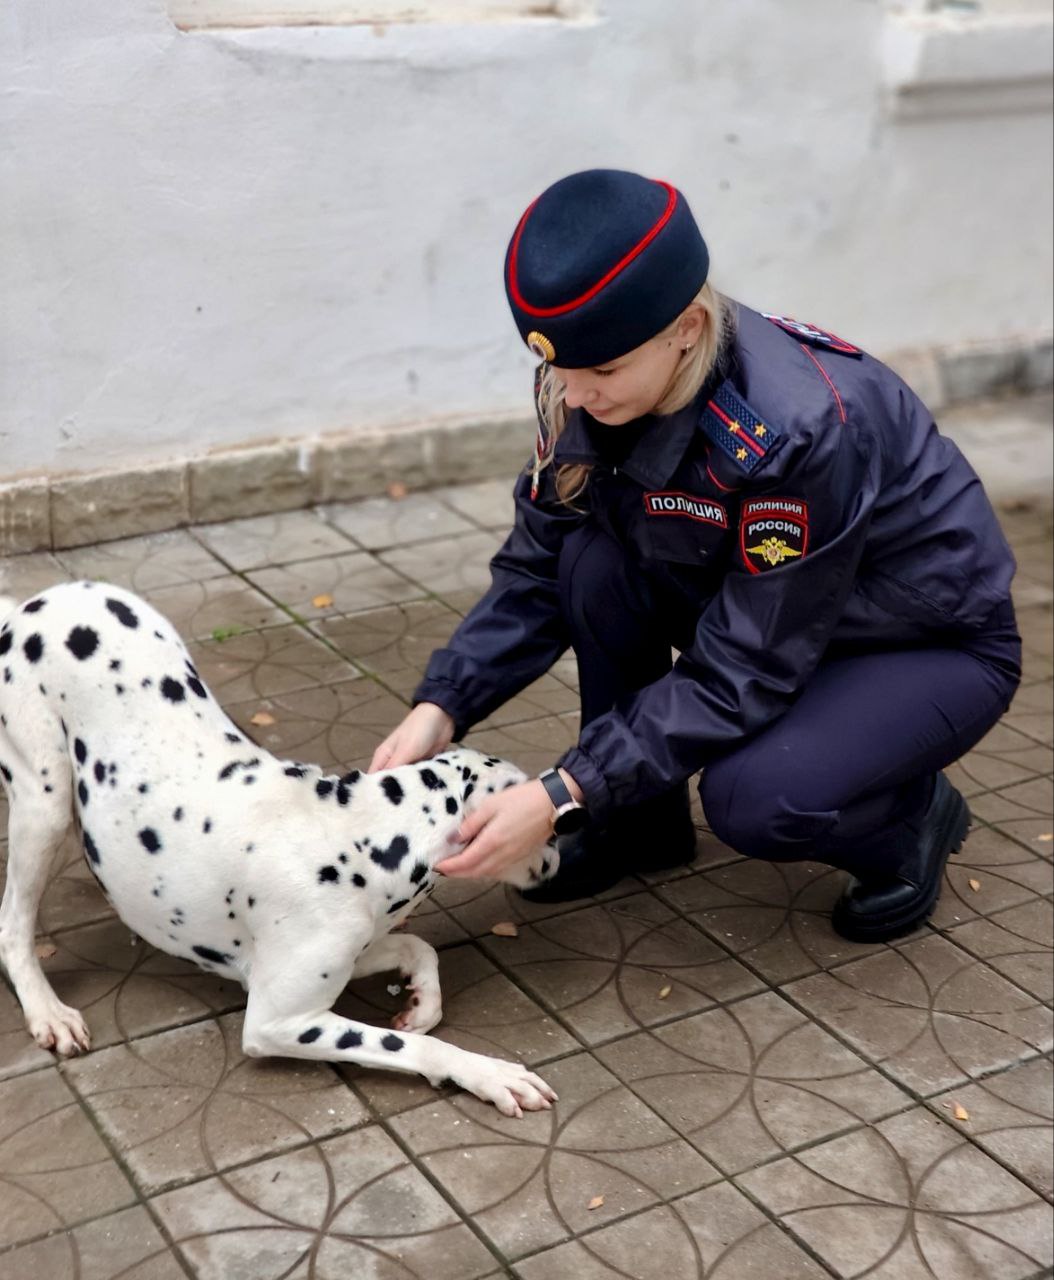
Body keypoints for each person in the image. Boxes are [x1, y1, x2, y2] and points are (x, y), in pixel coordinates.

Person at [368, 168, 1021, 942]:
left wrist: (562, 792)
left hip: (920, 643)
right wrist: (443, 705)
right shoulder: (591, 373)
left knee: (756, 798)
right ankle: (639, 828)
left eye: (601, 372)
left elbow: (748, 666)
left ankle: (910, 823)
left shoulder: (795, 430)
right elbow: (537, 563)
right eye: (558, 370)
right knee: (591, 564)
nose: (573, 396)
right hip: (781, 615)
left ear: (686, 327)